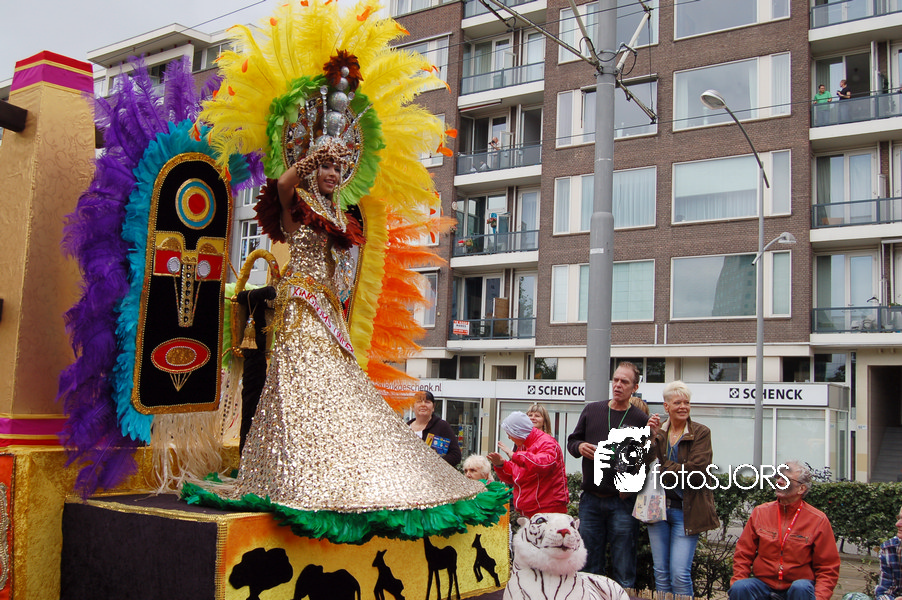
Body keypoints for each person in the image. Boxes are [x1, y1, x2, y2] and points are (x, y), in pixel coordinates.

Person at [566, 362, 661, 587]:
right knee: (588, 567)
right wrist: (579, 447)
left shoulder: (639, 418)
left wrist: (651, 437)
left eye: (624, 382)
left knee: (624, 567)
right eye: (616, 380)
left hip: (621, 502)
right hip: (590, 500)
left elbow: (645, 461)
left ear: (634, 388)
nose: (618, 385)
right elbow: (572, 441)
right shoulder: (592, 410)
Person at [647, 381, 719, 598]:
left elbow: (697, 472)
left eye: (686, 402)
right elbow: (644, 464)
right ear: (666, 406)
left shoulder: (701, 432)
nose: (683, 407)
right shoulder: (658, 432)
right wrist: (650, 437)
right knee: (661, 574)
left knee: (680, 574)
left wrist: (662, 467)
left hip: (687, 511)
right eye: (677, 402)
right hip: (657, 508)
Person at [729, 460, 840, 600]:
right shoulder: (760, 512)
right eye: (778, 477)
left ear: (801, 489)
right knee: (740, 587)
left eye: (786, 479)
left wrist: (820, 598)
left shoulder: (818, 520)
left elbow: (828, 567)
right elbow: (743, 554)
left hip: (798, 588)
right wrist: (738, 581)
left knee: (801, 587)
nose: (779, 482)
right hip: (763, 585)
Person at [488, 412, 569, 517]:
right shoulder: (523, 445)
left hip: (547, 510)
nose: (509, 437)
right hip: (530, 510)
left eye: (509, 434)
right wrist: (501, 465)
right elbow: (516, 475)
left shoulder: (547, 442)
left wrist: (514, 456)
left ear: (518, 432)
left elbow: (544, 464)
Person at [407, 390, 462, 466]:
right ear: (413, 407)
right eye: (419, 402)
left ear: (433, 407)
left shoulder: (442, 426)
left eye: (427, 402)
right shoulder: (405, 428)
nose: (423, 405)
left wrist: (434, 464)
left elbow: (456, 455)